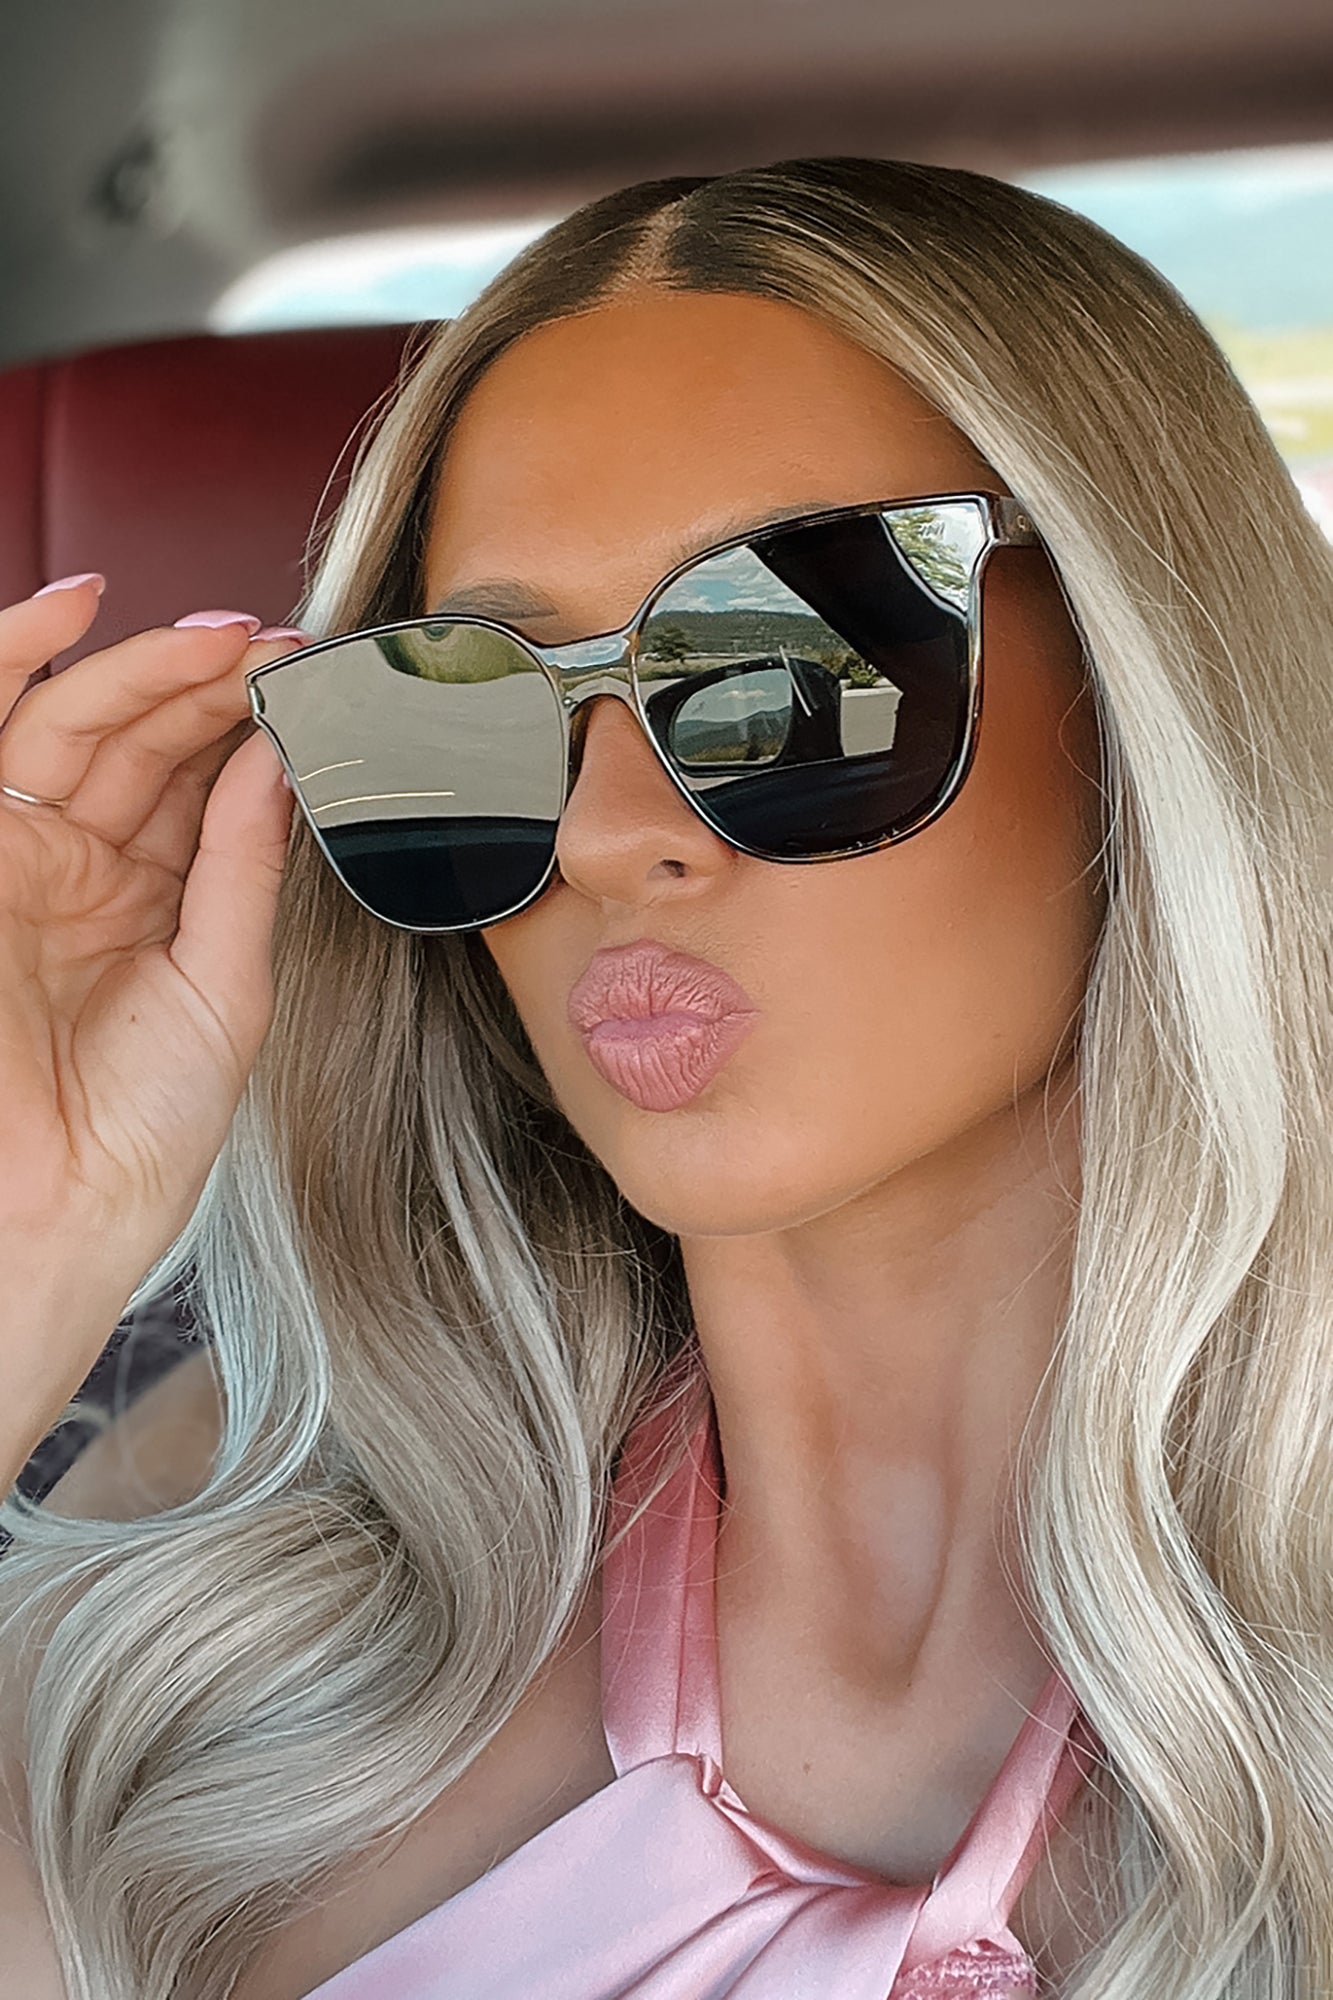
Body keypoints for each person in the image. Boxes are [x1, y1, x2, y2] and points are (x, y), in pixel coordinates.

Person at [0, 156, 1329, 2000]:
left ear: (1145, 696)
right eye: (468, 707)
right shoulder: (212, 1615)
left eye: (785, 665)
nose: (605, 831)